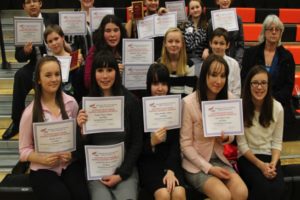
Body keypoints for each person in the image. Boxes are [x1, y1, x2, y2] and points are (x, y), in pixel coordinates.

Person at [18, 56, 90, 200]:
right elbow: (23, 151)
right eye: (48, 75)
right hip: (42, 169)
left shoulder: (71, 103)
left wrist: (74, 151)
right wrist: (41, 159)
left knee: (82, 195)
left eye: (57, 74)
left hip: (69, 164)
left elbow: (76, 137)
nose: (54, 79)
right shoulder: (29, 113)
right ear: (38, 79)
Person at [180, 54, 248, 200]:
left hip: (219, 159)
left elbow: (233, 134)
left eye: (223, 76)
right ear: (205, 75)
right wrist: (209, 168)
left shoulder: (230, 99)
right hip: (195, 163)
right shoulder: (189, 103)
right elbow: (185, 145)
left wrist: (225, 137)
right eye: (214, 75)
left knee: (241, 193)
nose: (219, 81)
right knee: (223, 196)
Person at [77, 51, 143, 200]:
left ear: (116, 72)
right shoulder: (85, 104)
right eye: (100, 70)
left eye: (109, 70)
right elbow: (81, 150)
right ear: (93, 74)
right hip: (97, 171)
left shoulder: (131, 102)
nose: (105, 76)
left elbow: (137, 143)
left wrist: (121, 174)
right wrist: (81, 132)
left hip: (124, 170)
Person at [2, 0, 58, 140]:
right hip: (36, 64)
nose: (32, 5)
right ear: (24, 7)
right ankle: (16, 121)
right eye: (28, 2)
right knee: (20, 75)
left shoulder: (54, 18)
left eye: (35, 1)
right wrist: (26, 52)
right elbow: (18, 56)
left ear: (40, 4)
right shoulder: (22, 26)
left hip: (55, 62)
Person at [241, 14, 295, 138]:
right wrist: (256, 99)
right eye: (270, 29)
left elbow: (288, 86)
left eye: (277, 29)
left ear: (281, 33)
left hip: (277, 104)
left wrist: (269, 101)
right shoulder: (250, 53)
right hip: (252, 103)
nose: (274, 32)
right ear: (264, 31)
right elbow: (244, 79)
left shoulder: (287, 57)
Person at [138, 63, 186, 200]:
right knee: (163, 195)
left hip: (171, 161)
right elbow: (135, 147)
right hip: (149, 163)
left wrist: (171, 169)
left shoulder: (174, 106)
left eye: (164, 84)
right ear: (149, 85)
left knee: (179, 193)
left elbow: (177, 142)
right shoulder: (139, 107)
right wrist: (151, 143)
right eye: (155, 84)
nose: (160, 88)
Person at [237, 65, 285, 200]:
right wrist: (261, 165)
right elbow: (242, 145)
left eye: (263, 83)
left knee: (278, 188)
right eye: (255, 83)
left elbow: (277, 142)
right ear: (249, 85)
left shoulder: (278, 108)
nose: (259, 87)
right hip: (248, 157)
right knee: (262, 187)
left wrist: (273, 164)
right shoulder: (240, 107)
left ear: (269, 85)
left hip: (270, 157)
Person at [44, 24, 86, 103]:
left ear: (62, 38)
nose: (54, 43)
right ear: (47, 45)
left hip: (73, 101)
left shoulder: (75, 58)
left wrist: (81, 64)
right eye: (50, 41)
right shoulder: (46, 62)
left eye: (56, 39)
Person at [84, 14, 127, 90]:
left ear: (121, 32)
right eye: (108, 31)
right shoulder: (94, 51)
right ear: (102, 33)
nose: (112, 35)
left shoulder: (127, 48)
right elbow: (88, 82)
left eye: (116, 30)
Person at [159, 27, 197, 98]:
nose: (173, 44)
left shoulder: (189, 65)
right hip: (164, 102)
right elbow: (159, 90)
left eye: (177, 41)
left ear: (182, 44)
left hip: (183, 102)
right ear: (165, 44)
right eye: (170, 41)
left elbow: (188, 93)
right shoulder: (158, 64)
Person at [207, 0, 244, 66]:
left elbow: (241, 44)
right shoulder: (211, 21)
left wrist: (237, 62)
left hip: (233, 59)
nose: (225, 0)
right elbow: (210, 43)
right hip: (216, 60)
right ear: (217, 2)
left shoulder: (238, 19)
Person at [209, 27, 241, 97]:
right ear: (210, 44)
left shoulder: (234, 64)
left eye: (222, 43)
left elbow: (237, 91)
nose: (218, 46)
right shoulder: (205, 64)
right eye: (215, 43)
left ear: (227, 45)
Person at [182, 0, 208, 77]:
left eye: (197, 7)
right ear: (189, 11)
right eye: (192, 8)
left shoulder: (207, 25)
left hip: (201, 60)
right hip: (186, 60)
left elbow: (209, 42)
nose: (195, 10)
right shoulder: (184, 25)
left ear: (202, 8)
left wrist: (207, 49)